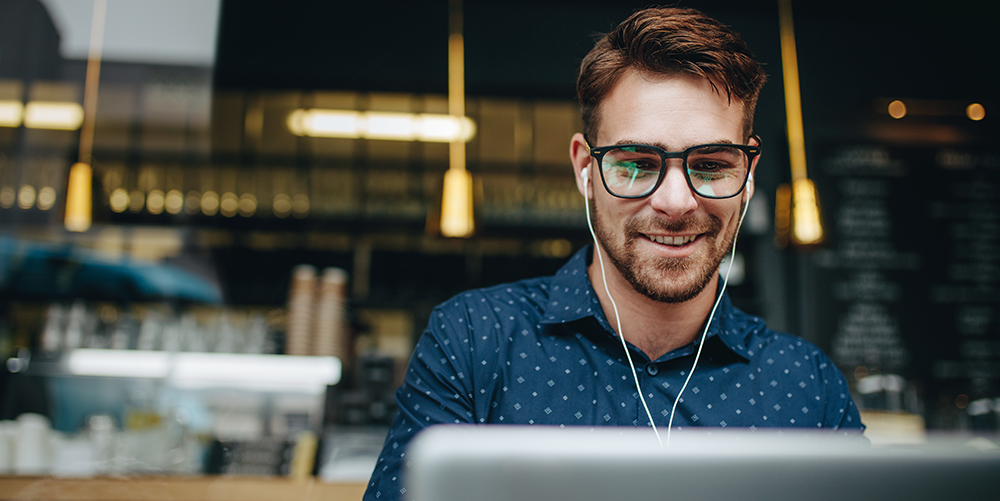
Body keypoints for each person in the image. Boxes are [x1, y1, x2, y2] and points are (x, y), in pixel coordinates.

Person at [364, 7, 864, 501]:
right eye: (637, 164)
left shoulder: (807, 386)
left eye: (711, 165)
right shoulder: (475, 342)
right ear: (585, 169)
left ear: (748, 175)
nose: (676, 202)